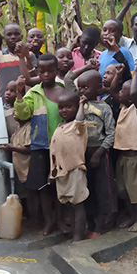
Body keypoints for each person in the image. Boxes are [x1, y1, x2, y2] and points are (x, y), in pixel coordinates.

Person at [15, 53, 64, 235]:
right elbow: (23, 114)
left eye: (50, 71)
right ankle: (49, 221)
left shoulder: (63, 90)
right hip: (40, 146)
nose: (46, 74)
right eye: (42, 71)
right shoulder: (34, 92)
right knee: (43, 188)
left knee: (60, 185)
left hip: (59, 147)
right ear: (37, 72)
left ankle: (60, 220)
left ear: (56, 71)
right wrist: (19, 94)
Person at [67, 66, 117, 236]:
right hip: (82, 155)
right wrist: (87, 67)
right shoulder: (77, 105)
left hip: (100, 154)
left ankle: (105, 222)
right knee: (87, 189)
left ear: (98, 88)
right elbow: (68, 78)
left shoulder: (104, 108)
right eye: (80, 87)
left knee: (104, 188)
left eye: (85, 87)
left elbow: (111, 133)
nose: (81, 90)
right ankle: (90, 222)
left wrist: (99, 152)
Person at [114, 63, 137, 232]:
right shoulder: (124, 107)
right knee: (125, 191)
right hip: (124, 157)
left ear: (131, 97)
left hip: (135, 158)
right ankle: (131, 217)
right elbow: (113, 90)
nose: (119, 93)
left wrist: (136, 72)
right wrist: (118, 74)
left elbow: (135, 92)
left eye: (124, 90)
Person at [49, 92, 89, 241]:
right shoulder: (60, 126)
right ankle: (74, 233)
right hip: (61, 172)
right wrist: (51, 173)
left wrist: (81, 105)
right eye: (61, 107)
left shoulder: (77, 127)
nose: (64, 110)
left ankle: (78, 236)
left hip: (74, 169)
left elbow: (80, 120)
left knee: (78, 204)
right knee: (69, 205)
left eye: (68, 107)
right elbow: (54, 151)